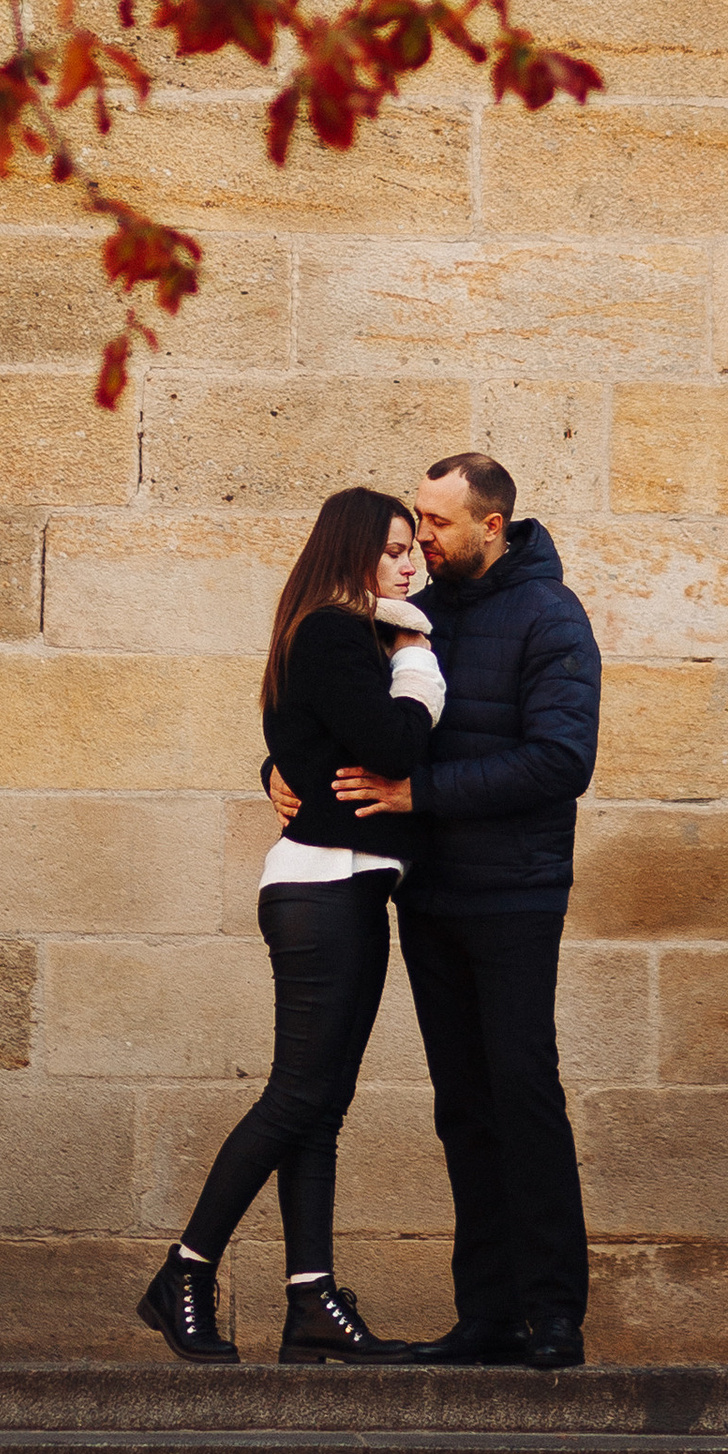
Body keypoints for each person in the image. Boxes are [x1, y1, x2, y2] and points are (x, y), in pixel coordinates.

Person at [283, 451, 601, 1371]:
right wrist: (278, 773)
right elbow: (332, 715)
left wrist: (422, 795)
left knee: (523, 1094)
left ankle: (552, 1317)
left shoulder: (551, 616)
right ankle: (487, 1316)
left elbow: (560, 761)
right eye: (417, 521)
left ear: (491, 526)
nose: (420, 538)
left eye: (437, 523)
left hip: (515, 893)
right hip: (427, 892)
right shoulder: (410, 620)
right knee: (462, 1104)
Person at [136, 488, 443, 1368]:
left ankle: (311, 1297)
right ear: (351, 551)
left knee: (323, 1106)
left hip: (347, 886)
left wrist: (281, 760)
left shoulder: (347, 631)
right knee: (299, 1096)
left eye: (413, 548)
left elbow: (309, 738)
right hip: (321, 887)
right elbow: (391, 745)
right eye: (391, 549)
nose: (408, 562)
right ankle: (186, 1271)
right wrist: (420, 665)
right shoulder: (338, 631)